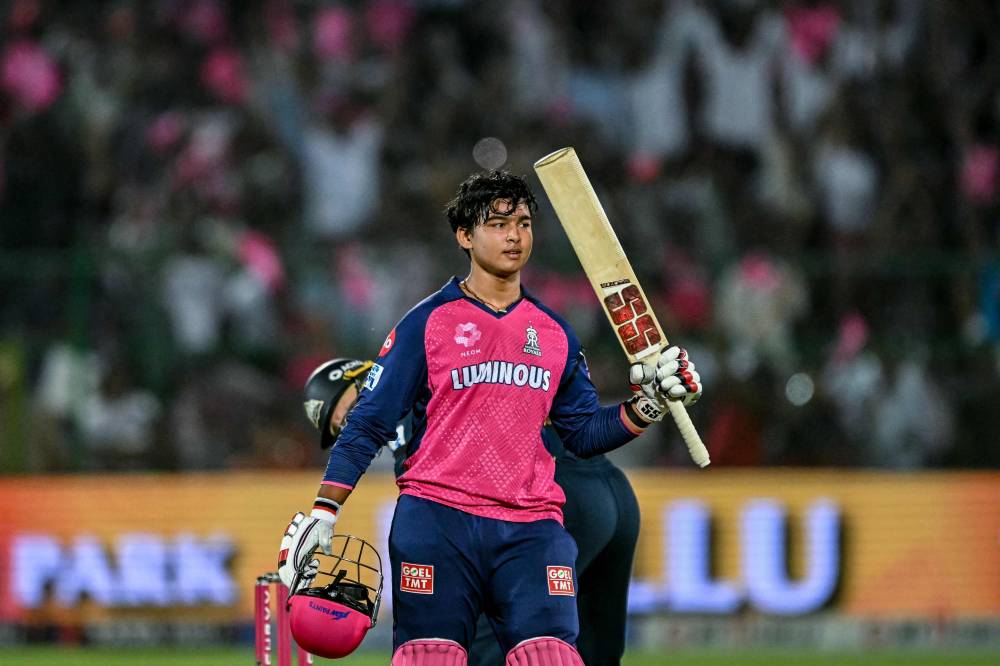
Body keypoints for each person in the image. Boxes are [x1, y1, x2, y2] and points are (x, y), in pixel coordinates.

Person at [279, 170, 702, 666]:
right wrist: (325, 509)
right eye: (498, 224)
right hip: (439, 519)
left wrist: (646, 405)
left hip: (531, 521)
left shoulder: (555, 333)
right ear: (465, 236)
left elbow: (585, 434)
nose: (514, 235)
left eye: (522, 223)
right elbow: (368, 423)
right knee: (430, 658)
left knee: (552, 658)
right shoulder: (427, 322)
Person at [302, 359, 643, 666]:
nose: (351, 428)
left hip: (556, 499)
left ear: (365, 381)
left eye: (346, 414)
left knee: (489, 639)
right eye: (341, 429)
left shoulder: (409, 403)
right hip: (611, 492)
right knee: (593, 651)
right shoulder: (434, 371)